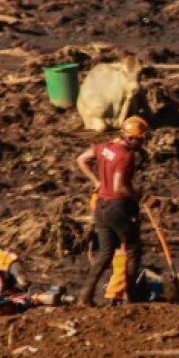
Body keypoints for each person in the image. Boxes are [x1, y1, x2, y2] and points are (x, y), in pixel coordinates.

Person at [74, 116, 148, 307]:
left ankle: (85, 295)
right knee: (133, 249)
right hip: (117, 207)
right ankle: (129, 296)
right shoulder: (125, 155)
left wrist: (96, 182)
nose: (141, 144)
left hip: (101, 205)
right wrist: (139, 196)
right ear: (131, 138)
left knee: (105, 252)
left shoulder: (103, 147)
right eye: (140, 140)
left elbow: (81, 159)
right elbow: (120, 187)